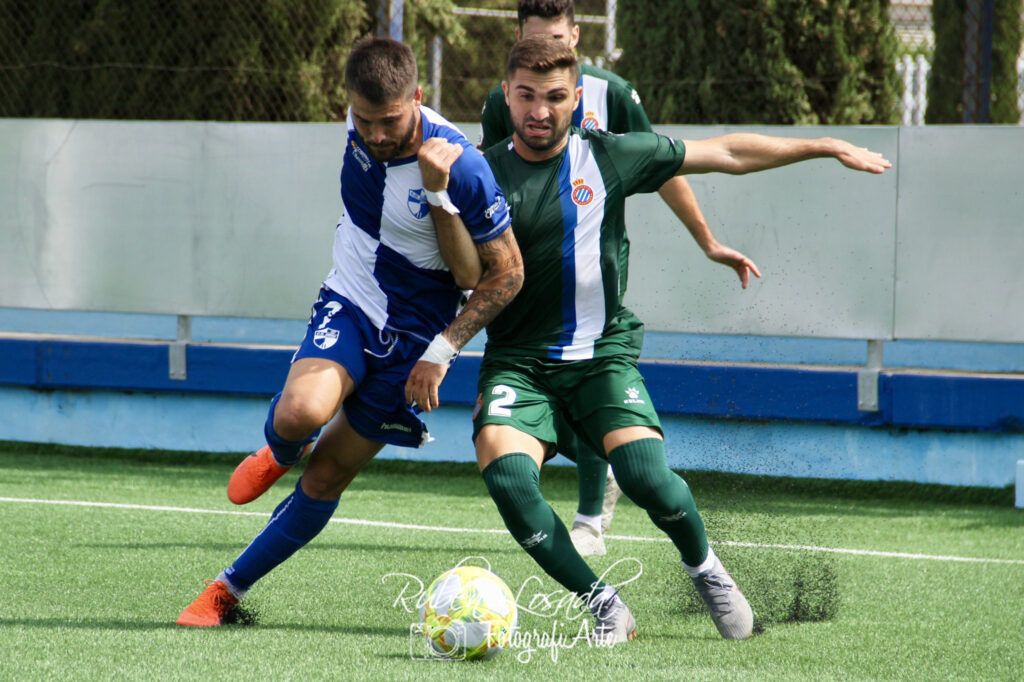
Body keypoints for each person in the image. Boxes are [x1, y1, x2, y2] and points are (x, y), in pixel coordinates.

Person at [466, 35, 890, 643]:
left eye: (555, 97)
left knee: (646, 477)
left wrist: (824, 145)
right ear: (506, 95)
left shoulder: (610, 156)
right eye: (526, 96)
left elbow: (727, 153)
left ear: (576, 98)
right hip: (517, 363)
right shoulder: (479, 172)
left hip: (600, 355)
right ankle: (605, 605)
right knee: (508, 479)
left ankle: (707, 570)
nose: (539, 111)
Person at [176, 37, 524, 627]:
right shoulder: (357, 120)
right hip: (356, 298)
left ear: (418, 97)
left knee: (329, 475)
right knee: (300, 413)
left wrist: (442, 348)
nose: (377, 135)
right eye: (364, 120)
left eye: (390, 121)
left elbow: (495, 274)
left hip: (418, 336)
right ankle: (279, 449)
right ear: (348, 104)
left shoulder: (461, 165)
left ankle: (223, 592)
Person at [481, 0, 762, 557]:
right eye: (535, 41)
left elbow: (664, 167)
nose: (540, 102)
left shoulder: (612, 94)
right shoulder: (502, 103)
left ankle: (590, 519)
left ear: (576, 37)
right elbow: (493, 183)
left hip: (592, 268)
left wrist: (706, 239)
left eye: (558, 38)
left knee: (586, 358)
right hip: (524, 287)